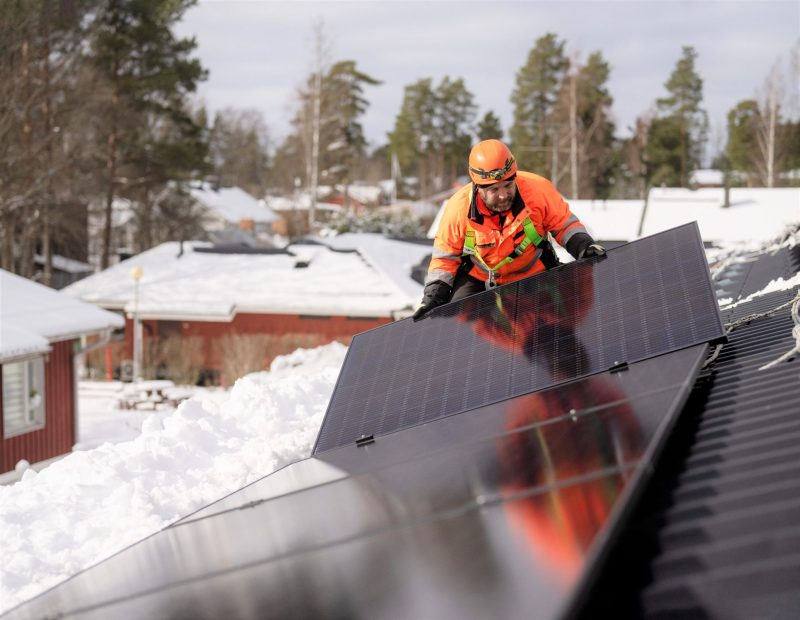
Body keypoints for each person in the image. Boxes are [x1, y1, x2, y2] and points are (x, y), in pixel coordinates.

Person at [412, 139, 605, 320]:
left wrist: (583, 246)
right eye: (494, 190)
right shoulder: (458, 209)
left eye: (508, 185)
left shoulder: (538, 191)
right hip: (479, 277)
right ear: (478, 187)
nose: (503, 195)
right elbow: (445, 258)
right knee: (458, 319)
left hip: (533, 269)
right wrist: (432, 297)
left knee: (562, 310)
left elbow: (564, 224)